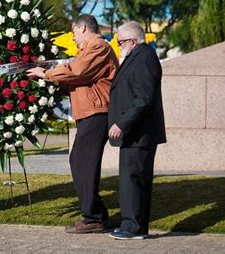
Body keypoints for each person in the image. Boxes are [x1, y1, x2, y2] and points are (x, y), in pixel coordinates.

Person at [27, 14, 119, 234]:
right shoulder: (92, 48)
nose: (73, 37)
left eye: (74, 32)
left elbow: (78, 71)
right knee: (81, 161)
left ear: (84, 28)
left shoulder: (97, 46)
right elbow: (80, 79)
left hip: (97, 112)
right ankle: (97, 215)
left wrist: (46, 73)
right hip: (91, 111)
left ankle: (93, 218)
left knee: (82, 161)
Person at [107, 21, 166, 240]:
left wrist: (122, 123)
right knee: (131, 180)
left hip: (139, 133)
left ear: (133, 40)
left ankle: (134, 227)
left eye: (120, 41)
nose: (118, 45)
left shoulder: (144, 58)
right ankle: (131, 225)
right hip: (135, 134)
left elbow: (144, 98)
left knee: (134, 180)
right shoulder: (138, 56)